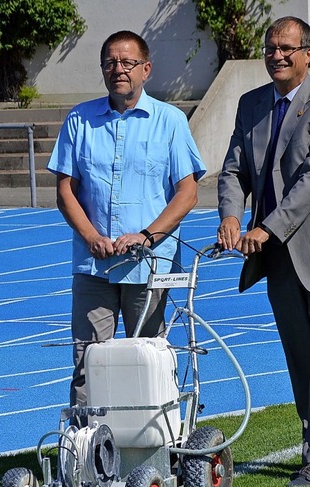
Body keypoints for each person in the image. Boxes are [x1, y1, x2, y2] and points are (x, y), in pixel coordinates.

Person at [217, 16, 310, 487]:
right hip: (277, 256)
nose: (277, 56)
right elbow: (233, 170)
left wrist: (265, 227)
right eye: (270, 48)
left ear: (308, 53)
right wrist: (229, 214)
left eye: (286, 48)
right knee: (300, 358)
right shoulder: (250, 104)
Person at [47, 30, 206, 418]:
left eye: (128, 62)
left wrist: (148, 237)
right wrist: (90, 237)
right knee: (88, 365)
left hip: (149, 267)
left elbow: (187, 193)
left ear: (146, 69)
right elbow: (65, 189)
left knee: (148, 362)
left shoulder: (169, 121)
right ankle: (85, 457)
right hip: (94, 266)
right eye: (110, 63)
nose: (119, 70)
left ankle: (156, 448)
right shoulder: (79, 120)